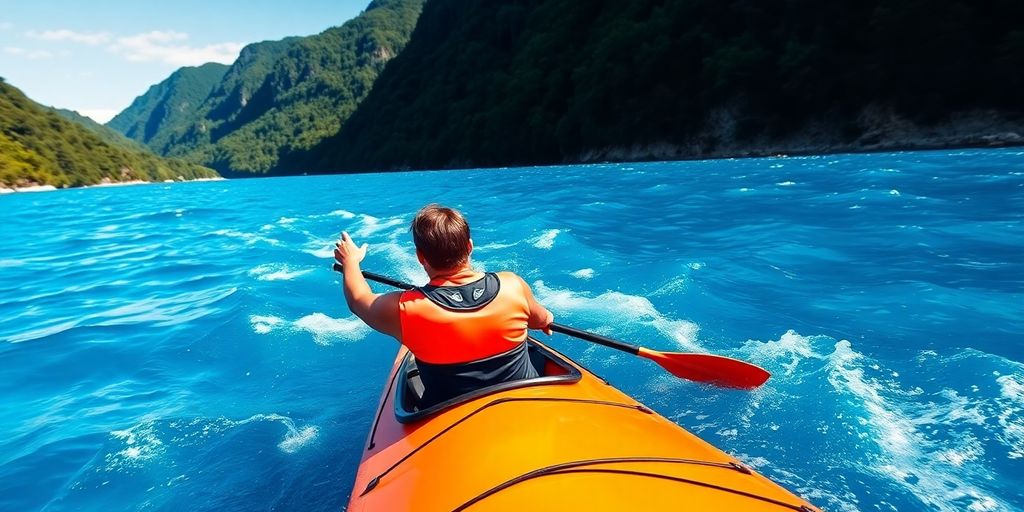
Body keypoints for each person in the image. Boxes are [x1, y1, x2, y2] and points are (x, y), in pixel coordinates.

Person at [334, 204, 555, 406]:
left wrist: (350, 261)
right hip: (526, 401)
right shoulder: (512, 285)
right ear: (469, 247)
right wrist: (543, 319)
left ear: (421, 257)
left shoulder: (406, 309)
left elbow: (357, 300)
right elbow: (541, 319)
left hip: (451, 414)